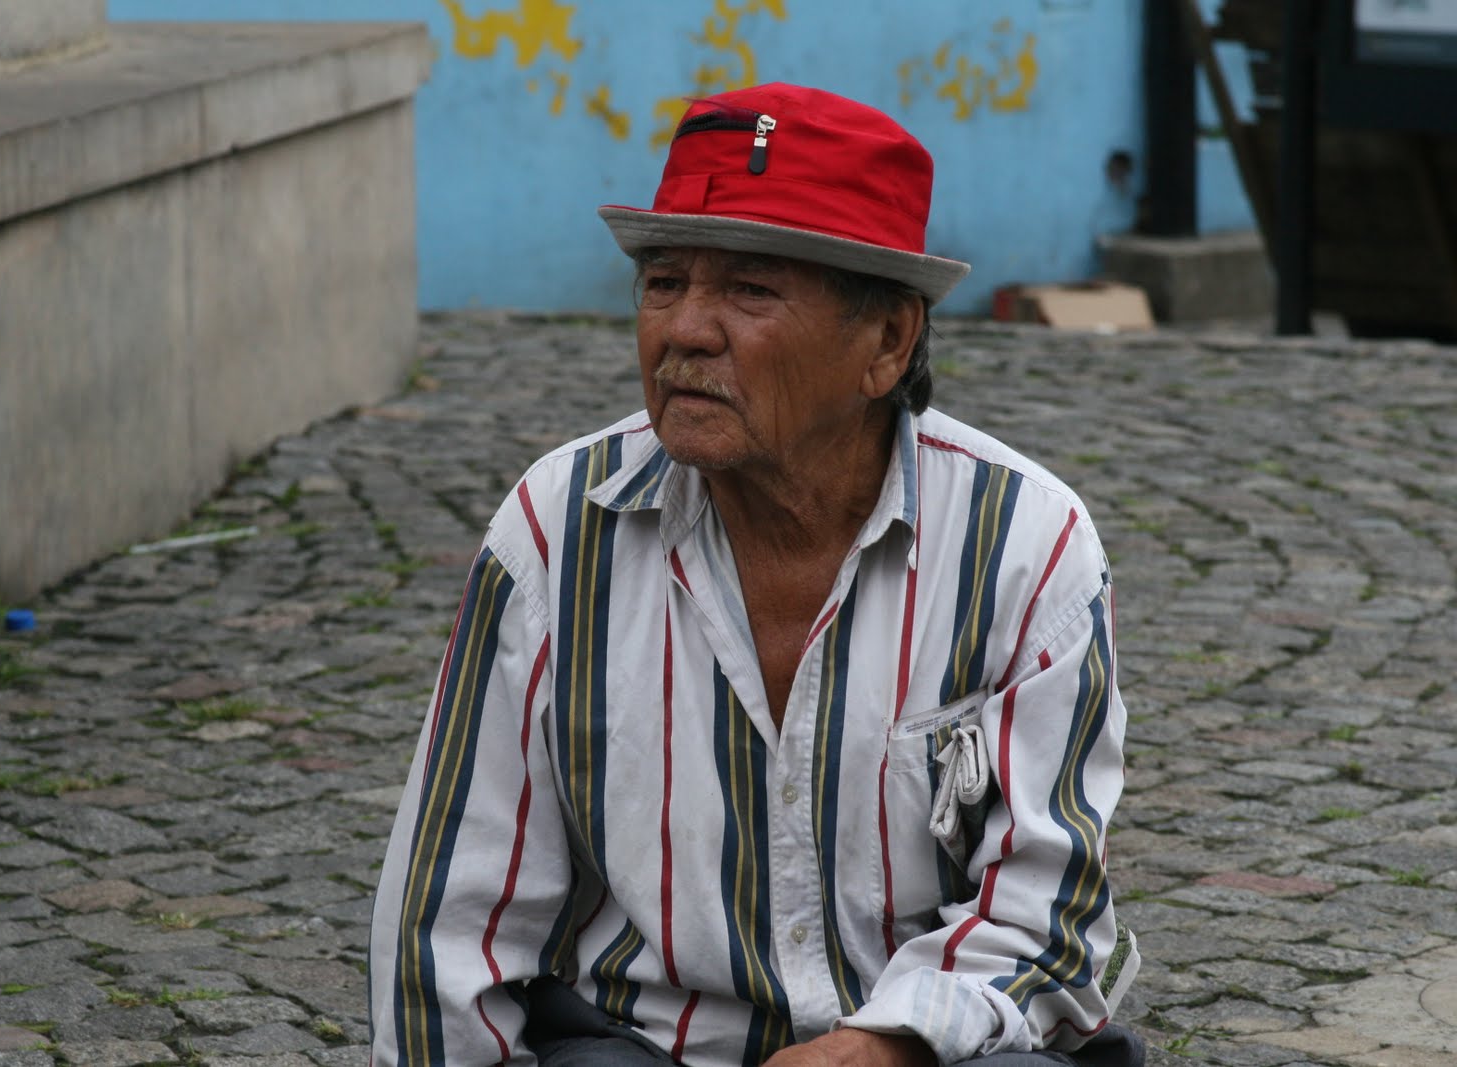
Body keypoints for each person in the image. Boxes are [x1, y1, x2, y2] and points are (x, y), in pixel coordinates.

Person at [369, 83, 1143, 1066]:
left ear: (887, 342)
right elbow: (453, 909)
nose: (684, 330)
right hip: (640, 1045)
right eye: (662, 281)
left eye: (749, 290)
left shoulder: (1023, 545)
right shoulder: (559, 524)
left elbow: (1044, 906)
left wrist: (887, 1043)